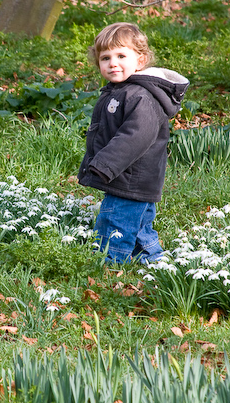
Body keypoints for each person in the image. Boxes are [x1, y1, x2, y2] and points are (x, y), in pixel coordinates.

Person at [78, 22, 189, 264]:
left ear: (140, 60)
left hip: (128, 177)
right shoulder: (122, 91)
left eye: (120, 55)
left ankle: (109, 265)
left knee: (115, 221)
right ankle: (152, 260)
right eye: (105, 58)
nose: (112, 63)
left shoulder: (140, 96)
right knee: (138, 225)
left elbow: (136, 136)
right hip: (133, 178)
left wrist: (105, 164)